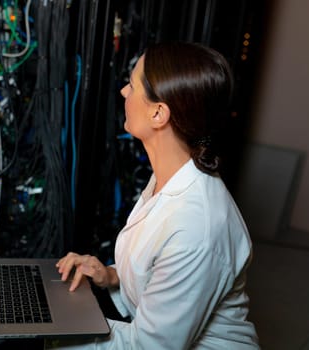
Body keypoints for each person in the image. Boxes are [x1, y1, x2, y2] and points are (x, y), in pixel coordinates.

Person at [47, 42, 259, 349]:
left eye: (132, 86)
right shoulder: (171, 176)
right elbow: (158, 265)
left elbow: (150, 347)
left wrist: (58, 326)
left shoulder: (197, 226)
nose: (123, 92)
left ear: (158, 113)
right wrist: (109, 275)